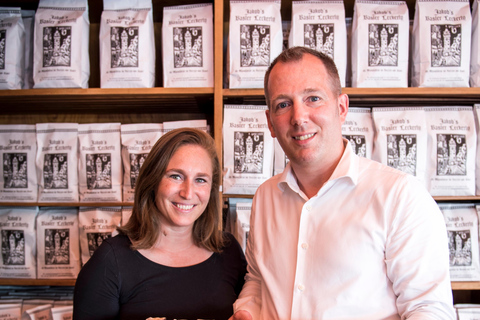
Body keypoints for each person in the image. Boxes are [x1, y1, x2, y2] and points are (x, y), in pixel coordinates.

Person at [229, 46, 455, 320]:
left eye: (313, 98)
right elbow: (259, 279)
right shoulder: (265, 197)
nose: (299, 117)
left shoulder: (400, 195)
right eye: (283, 104)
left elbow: (427, 309)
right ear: (270, 123)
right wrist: (247, 311)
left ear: (341, 107)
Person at [74, 128, 247, 320]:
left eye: (200, 180)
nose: (188, 193)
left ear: (211, 189)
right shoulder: (110, 261)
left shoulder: (229, 251)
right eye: (176, 176)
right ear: (152, 180)